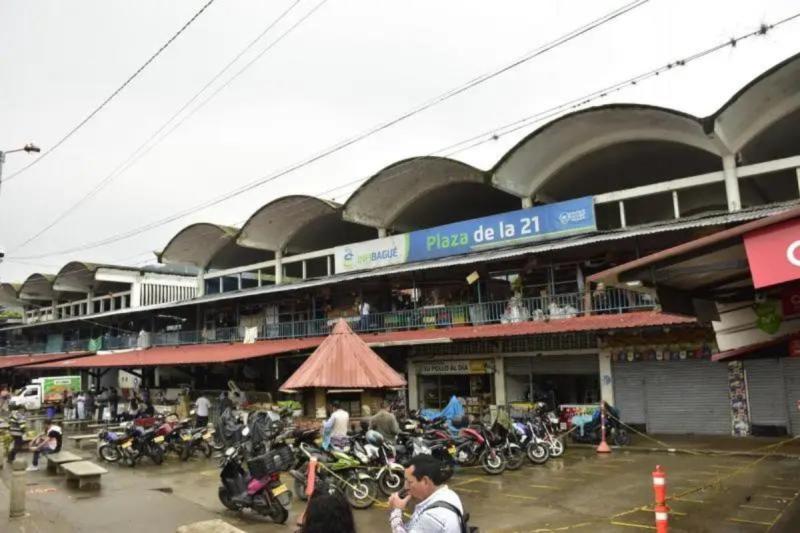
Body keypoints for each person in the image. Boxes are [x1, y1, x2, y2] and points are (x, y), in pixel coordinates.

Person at [388, 454, 466, 533]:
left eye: (409, 482)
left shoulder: (432, 517)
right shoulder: (450, 495)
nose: (406, 487)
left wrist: (396, 511)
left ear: (425, 481)